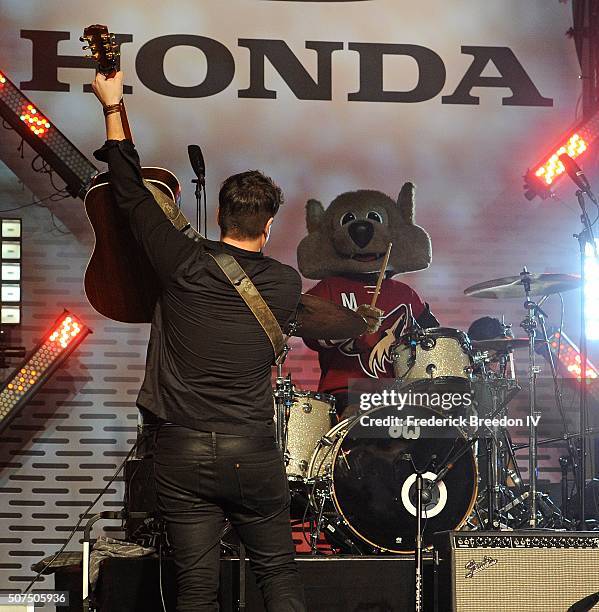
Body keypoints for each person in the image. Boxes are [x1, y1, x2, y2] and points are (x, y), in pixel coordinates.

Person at [91, 71, 306, 612]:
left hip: (183, 452)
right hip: (252, 452)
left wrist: (113, 105)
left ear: (218, 216)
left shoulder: (182, 262)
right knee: (278, 578)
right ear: (270, 223)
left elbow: (129, 193)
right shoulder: (284, 283)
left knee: (194, 592)